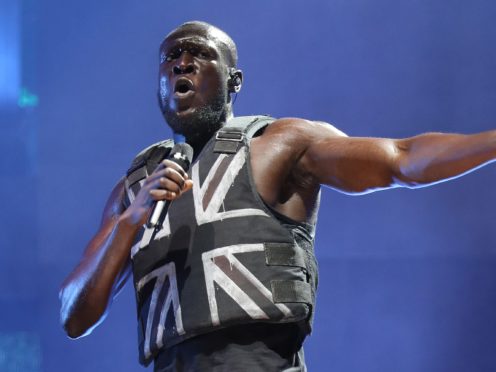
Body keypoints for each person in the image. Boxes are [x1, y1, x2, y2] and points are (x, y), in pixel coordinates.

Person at [59, 21, 496, 371]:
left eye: (199, 53)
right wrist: (129, 222)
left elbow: (401, 158)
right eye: (171, 57)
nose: (182, 63)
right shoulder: (134, 188)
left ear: (235, 80)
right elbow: (74, 316)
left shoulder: (279, 142)